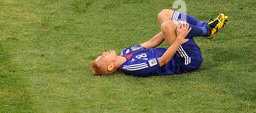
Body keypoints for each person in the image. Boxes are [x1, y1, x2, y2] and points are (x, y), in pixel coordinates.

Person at [91, 10, 228, 77]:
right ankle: (207, 30)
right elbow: (163, 61)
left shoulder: (126, 52)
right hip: (186, 61)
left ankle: (205, 26)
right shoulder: (132, 67)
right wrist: (178, 37)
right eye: (103, 57)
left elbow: (151, 42)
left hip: (178, 51)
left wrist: (168, 30)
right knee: (168, 25)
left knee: (163, 15)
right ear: (110, 66)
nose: (104, 53)